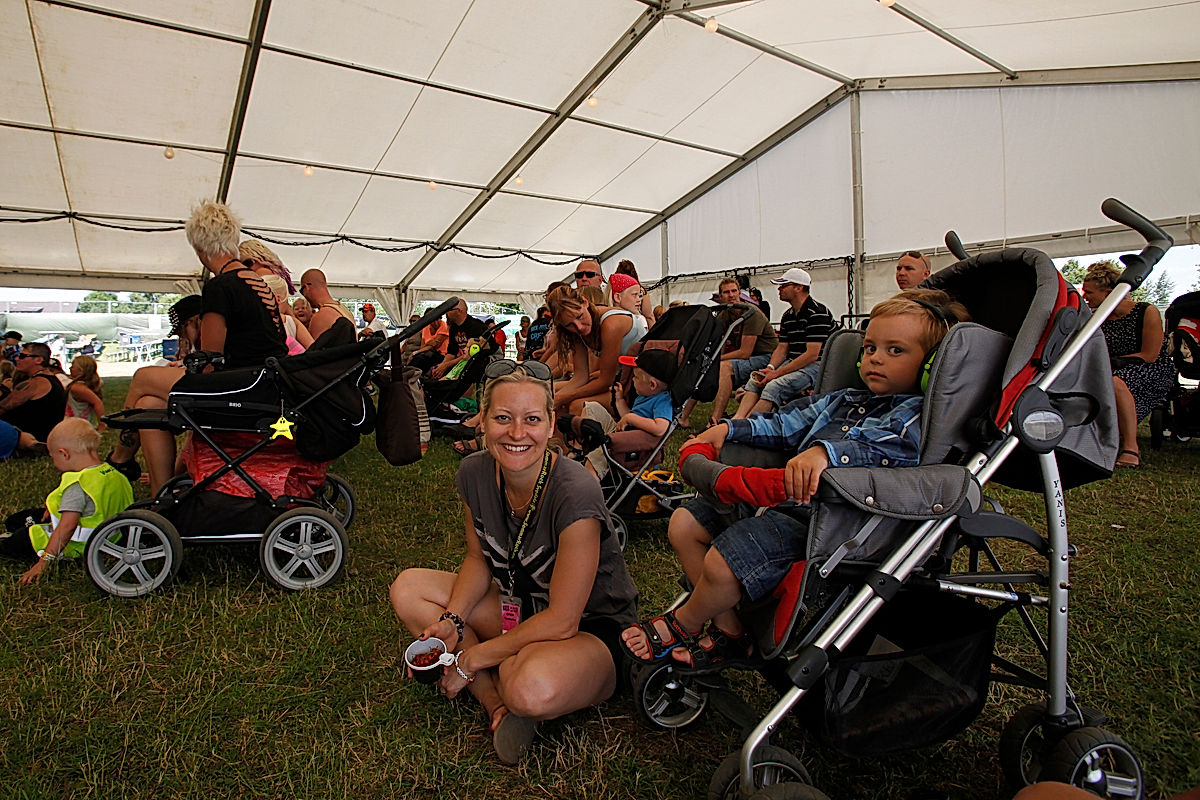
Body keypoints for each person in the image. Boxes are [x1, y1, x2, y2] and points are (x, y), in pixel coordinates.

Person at [621, 294, 963, 667]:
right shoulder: (843, 399)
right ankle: (729, 628)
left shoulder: (912, 417)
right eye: (869, 348)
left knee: (722, 561)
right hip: (781, 501)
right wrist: (730, 429)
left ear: (929, 366)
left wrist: (825, 454)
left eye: (895, 350)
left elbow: (886, 449)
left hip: (829, 524)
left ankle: (685, 621)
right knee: (683, 523)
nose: (876, 358)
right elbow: (785, 424)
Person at [389, 363, 637, 764]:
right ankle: (493, 701)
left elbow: (563, 621)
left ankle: (498, 672)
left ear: (551, 424)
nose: (517, 433)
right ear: (483, 421)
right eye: (503, 418)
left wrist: (471, 658)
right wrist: (452, 622)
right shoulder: (473, 473)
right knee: (408, 588)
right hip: (522, 606)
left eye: (532, 419)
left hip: (588, 629)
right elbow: (477, 559)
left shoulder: (576, 492)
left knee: (528, 686)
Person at [108, 200, 288, 492]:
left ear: (200, 248)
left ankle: (120, 460)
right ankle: (162, 492)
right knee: (148, 404)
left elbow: (210, 359)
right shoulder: (258, 283)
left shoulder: (220, 286)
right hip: (266, 384)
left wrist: (185, 371)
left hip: (238, 387)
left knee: (142, 377)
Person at [0, 418, 133, 585]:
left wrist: (44, 561)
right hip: (111, 537)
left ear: (64, 454)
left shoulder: (78, 485)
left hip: (78, 544)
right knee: (18, 519)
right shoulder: (115, 475)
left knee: (16, 540)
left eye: (53, 457)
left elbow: (67, 526)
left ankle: (10, 539)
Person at [1081, 260, 1175, 468]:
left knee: (1115, 383)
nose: (1084, 296)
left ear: (1109, 293)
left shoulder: (1146, 312)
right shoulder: (1095, 318)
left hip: (1150, 368)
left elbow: (1150, 355)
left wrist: (1111, 364)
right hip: (1111, 369)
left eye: (1089, 292)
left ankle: (1131, 449)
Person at [733, 268, 837, 419]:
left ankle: (749, 425)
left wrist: (776, 373)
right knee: (756, 380)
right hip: (796, 362)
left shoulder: (818, 313)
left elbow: (812, 355)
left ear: (798, 288)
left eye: (783, 285)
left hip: (818, 366)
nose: (779, 289)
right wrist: (770, 368)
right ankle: (738, 420)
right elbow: (782, 348)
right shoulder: (788, 316)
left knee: (775, 387)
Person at [679, 277, 778, 429]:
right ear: (720, 296)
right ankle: (683, 417)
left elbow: (745, 352)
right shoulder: (725, 314)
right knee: (706, 366)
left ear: (739, 293)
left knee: (724, 367)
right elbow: (720, 344)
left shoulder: (752, 313)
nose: (731, 295)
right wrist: (710, 361)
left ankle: (715, 420)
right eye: (726, 292)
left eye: (734, 291)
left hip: (767, 358)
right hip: (749, 358)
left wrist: (716, 360)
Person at [547, 285, 644, 415]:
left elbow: (605, 382)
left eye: (579, 316)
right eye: (569, 324)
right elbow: (580, 377)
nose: (579, 327)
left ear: (585, 302)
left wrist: (563, 398)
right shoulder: (575, 331)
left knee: (576, 405)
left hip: (641, 386)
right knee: (551, 393)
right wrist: (555, 399)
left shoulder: (611, 324)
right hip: (622, 381)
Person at [0, 341, 67, 444]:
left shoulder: (37, 383)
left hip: (29, 441)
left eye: (22, 356)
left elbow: (3, 407)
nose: (17, 359)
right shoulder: (50, 380)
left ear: (39, 360)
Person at [432, 299, 487, 379]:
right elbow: (452, 352)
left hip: (480, 361)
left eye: (449, 310)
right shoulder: (454, 328)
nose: (446, 313)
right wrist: (441, 366)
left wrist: (446, 365)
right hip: (465, 360)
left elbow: (471, 354)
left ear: (459, 311)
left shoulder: (475, 326)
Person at [261, 274, 313, 354]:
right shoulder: (290, 322)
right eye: (287, 300)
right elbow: (313, 348)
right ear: (278, 299)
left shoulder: (249, 321)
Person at [299, 269, 355, 340]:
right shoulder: (345, 310)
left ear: (307, 287)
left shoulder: (321, 316)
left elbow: (313, 346)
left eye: (301, 291)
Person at [63, 355, 106, 432]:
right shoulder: (88, 384)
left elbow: (97, 403)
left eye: (73, 367)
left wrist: (102, 425)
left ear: (81, 371)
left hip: (77, 428)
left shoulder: (77, 388)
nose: (70, 368)